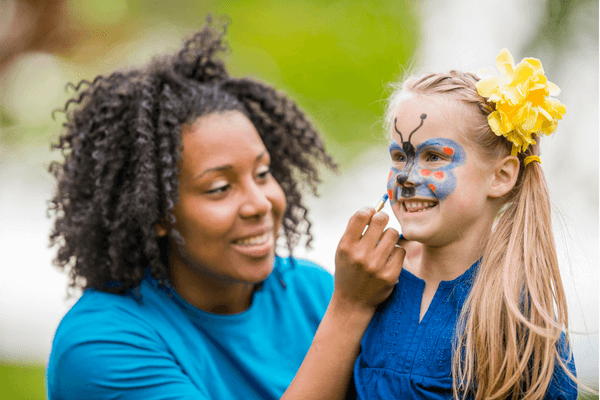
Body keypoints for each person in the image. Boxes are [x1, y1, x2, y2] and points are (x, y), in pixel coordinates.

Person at [46, 18, 405, 400]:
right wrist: (348, 311)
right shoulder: (100, 344)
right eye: (219, 188)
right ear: (155, 214)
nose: (259, 203)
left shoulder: (311, 291)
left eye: (263, 173)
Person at [352, 49, 579, 399]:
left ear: (501, 176)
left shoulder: (522, 318)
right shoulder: (368, 282)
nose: (407, 178)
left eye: (433, 157)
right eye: (399, 157)